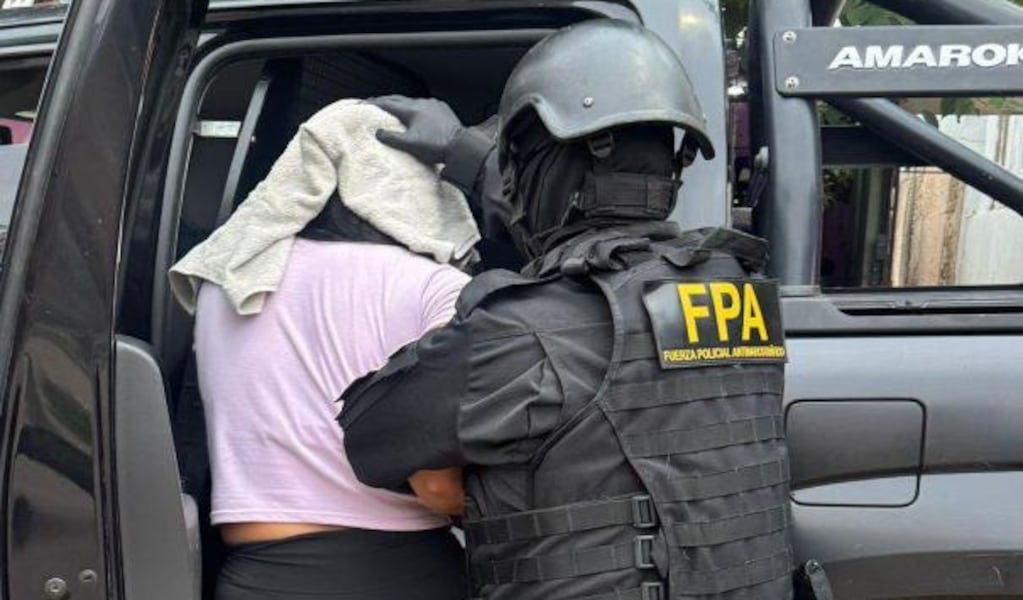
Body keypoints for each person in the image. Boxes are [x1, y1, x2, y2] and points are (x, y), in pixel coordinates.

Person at [339, 18, 821, 600]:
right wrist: (469, 155)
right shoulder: (738, 293)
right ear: (675, 161)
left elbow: (371, 436)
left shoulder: (523, 330)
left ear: (534, 166)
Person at [169, 99, 478, 600]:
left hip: (252, 576)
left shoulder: (221, 283)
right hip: (396, 574)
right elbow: (438, 487)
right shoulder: (434, 287)